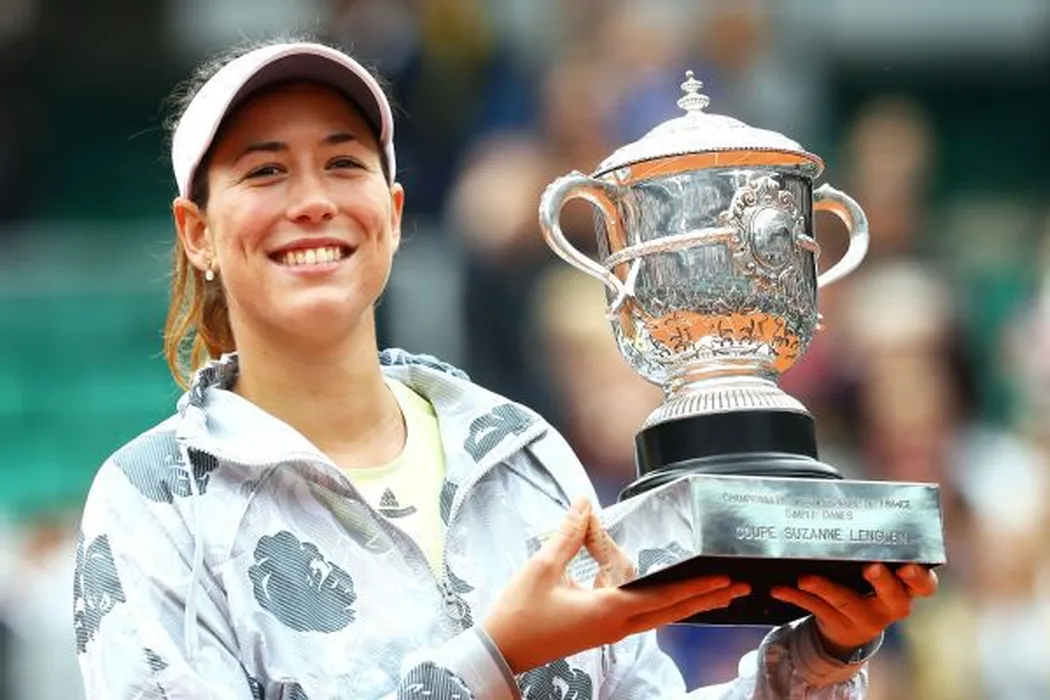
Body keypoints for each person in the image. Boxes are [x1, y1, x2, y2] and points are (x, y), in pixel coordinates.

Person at [73, 37, 937, 699]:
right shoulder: (154, 502)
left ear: (393, 213)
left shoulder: (519, 450)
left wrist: (817, 660)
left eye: (344, 163)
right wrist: (494, 659)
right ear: (197, 233)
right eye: (265, 171)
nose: (312, 200)